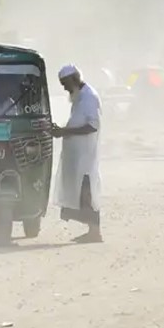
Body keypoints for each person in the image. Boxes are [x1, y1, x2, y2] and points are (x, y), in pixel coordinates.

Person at [50, 64, 103, 243]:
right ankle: (92, 231)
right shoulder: (79, 97)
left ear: (74, 79)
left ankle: (95, 232)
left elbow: (92, 125)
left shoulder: (88, 97)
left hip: (86, 156)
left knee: (87, 191)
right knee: (80, 192)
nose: (64, 88)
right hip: (77, 156)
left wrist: (64, 132)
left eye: (65, 83)